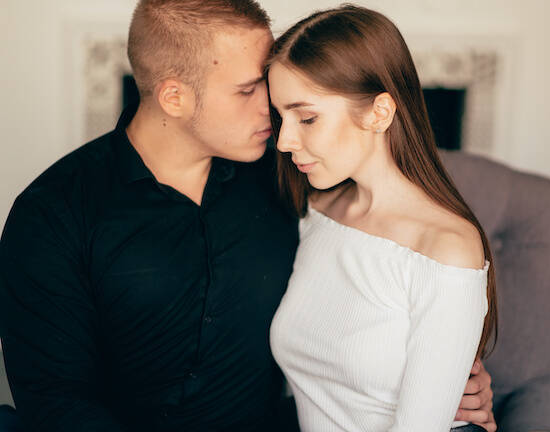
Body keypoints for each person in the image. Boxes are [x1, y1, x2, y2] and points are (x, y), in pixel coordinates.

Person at [0, 1, 495, 431]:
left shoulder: (293, 175)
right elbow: (54, 400)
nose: (272, 113)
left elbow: (384, 279)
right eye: (247, 90)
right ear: (174, 97)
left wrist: (446, 378)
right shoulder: (53, 214)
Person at [267, 5, 498, 432]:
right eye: (280, 117)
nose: (283, 141)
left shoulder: (446, 249)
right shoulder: (317, 212)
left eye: (307, 118)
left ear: (379, 112)